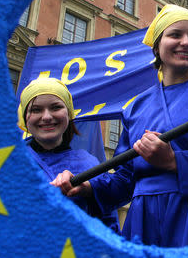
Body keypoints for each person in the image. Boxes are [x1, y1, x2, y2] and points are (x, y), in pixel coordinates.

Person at [52, 4, 188, 247]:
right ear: (157, 46)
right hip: (145, 222)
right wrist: (87, 186)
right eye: (175, 35)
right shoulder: (135, 107)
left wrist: (175, 161)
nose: (186, 42)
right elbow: (125, 180)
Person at [17, 77, 119, 233]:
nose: (46, 117)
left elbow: (108, 227)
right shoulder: (6, 162)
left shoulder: (90, 164)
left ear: (68, 114)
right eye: (36, 110)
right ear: (25, 118)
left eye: (55, 107)